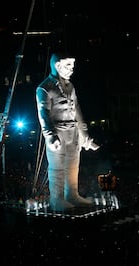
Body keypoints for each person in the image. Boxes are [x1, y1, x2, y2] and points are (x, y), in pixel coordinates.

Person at [35, 52, 99, 211]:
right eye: (68, 65)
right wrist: (50, 136)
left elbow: (77, 111)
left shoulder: (70, 86)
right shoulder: (44, 88)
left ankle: (72, 195)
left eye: (73, 64)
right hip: (58, 132)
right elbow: (43, 114)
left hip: (73, 133)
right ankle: (56, 199)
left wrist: (84, 135)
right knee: (57, 167)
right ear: (57, 65)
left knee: (72, 166)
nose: (72, 68)